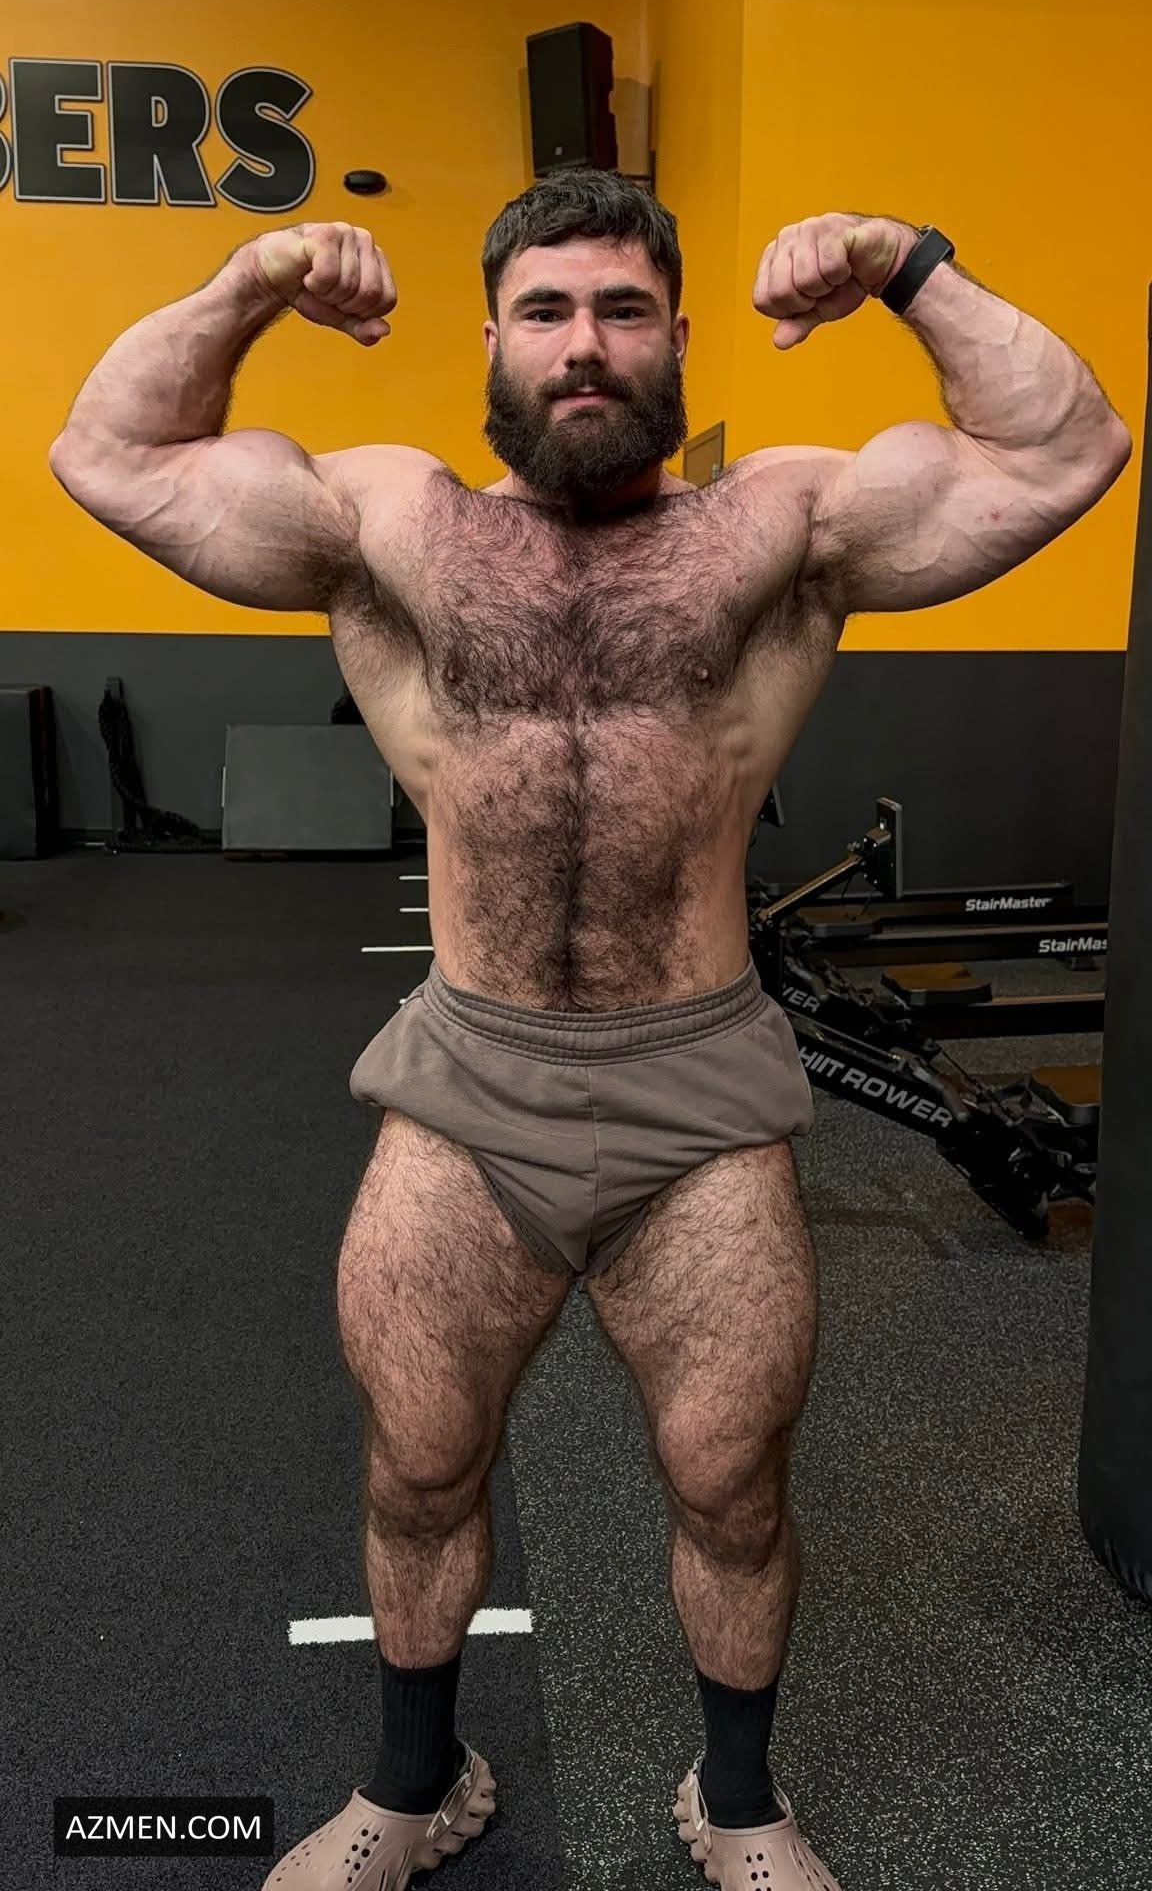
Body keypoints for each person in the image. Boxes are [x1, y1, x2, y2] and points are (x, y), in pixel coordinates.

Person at [49, 172, 1131, 1891]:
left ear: (678, 338)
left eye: (623, 310)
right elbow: (110, 455)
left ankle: (741, 1803)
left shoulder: (777, 526)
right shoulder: (394, 523)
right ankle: (411, 1789)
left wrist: (906, 266)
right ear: (490, 337)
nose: (583, 346)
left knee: (730, 1484)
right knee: (419, 1469)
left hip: (700, 1094)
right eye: (545, 310)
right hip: (469, 1085)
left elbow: (1067, 450)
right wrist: (254, 278)